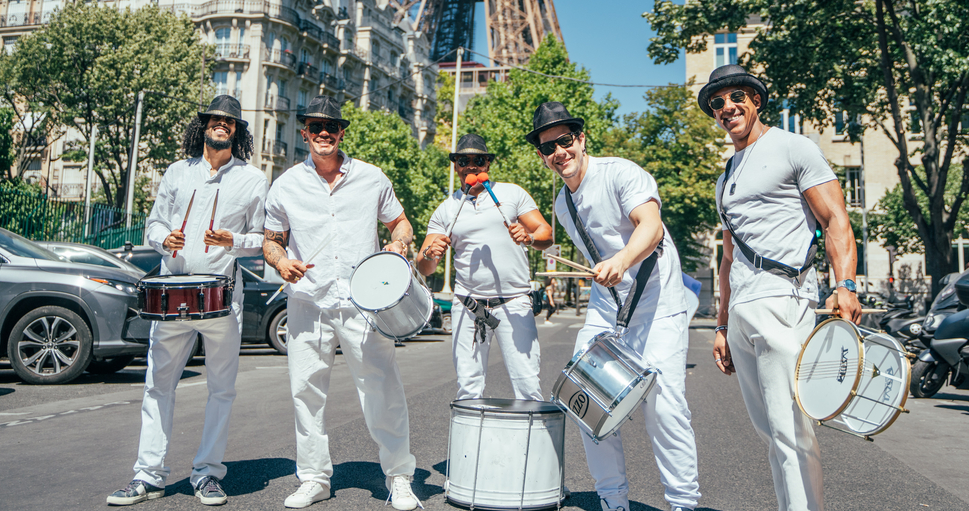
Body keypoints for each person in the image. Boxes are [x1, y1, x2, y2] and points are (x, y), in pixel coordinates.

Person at [701, 65, 861, 511]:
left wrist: (845, 284)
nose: (727, 108)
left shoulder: (793, 147)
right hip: (743, 313)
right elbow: (728, 258)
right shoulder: (725, 177)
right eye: (717, 103)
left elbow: (835, 220)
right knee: (771, 434)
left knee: (792, 431)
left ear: (755, 100)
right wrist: (720, 324)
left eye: (736, 97)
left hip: (784, 299)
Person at [529, 101, 700, 511]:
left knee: (664, 407)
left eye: (565, 141)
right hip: (609, 308)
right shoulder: (561, 207)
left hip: (659, 303)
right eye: (549, 147)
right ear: (542, 156)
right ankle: (612, 500)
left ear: (581, 139)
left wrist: (621, 261)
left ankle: (683, 504)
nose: (559, 153)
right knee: (583, 399)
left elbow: (651, 226)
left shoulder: (621, 172)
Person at [108, 95, 267, 507]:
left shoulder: (253, 179)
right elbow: (153, 224)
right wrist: (164, 238)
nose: (221, 125)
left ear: (237, 130)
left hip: (221, 296)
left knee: (221, 389)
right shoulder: (177, 172)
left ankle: (208, 474)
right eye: (215, 119)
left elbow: (264, 240)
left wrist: (235, 241)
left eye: (229, 121)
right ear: (204, 126)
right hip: (172, 290)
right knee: (158, 386)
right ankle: (148, 476)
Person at [263, 96, 420, 511]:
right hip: (306, 302)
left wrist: (399, 242)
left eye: (331, 126)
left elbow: (400, 222)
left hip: (362, 302)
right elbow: (271, 240)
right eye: (315, 126)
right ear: (305, 134)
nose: (323, 133)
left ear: (342, 132)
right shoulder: (285, 185)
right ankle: (314, 478)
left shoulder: (371, 178)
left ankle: (400, 477)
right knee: (305, 393)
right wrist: (281, 262)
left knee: (382, 390)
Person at [417, 133, 553, 401]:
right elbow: (425, 267)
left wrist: (530, 237)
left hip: (514, 303)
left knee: (528, 388)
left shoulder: (512, 194)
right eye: (463, 161)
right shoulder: (446, 209)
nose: (471, 166)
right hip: (468, 308)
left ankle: (527, 442)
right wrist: (430, 254)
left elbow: (546, 234)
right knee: (468, 390)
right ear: (456, 166)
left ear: (488, 164)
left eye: (478, 160)